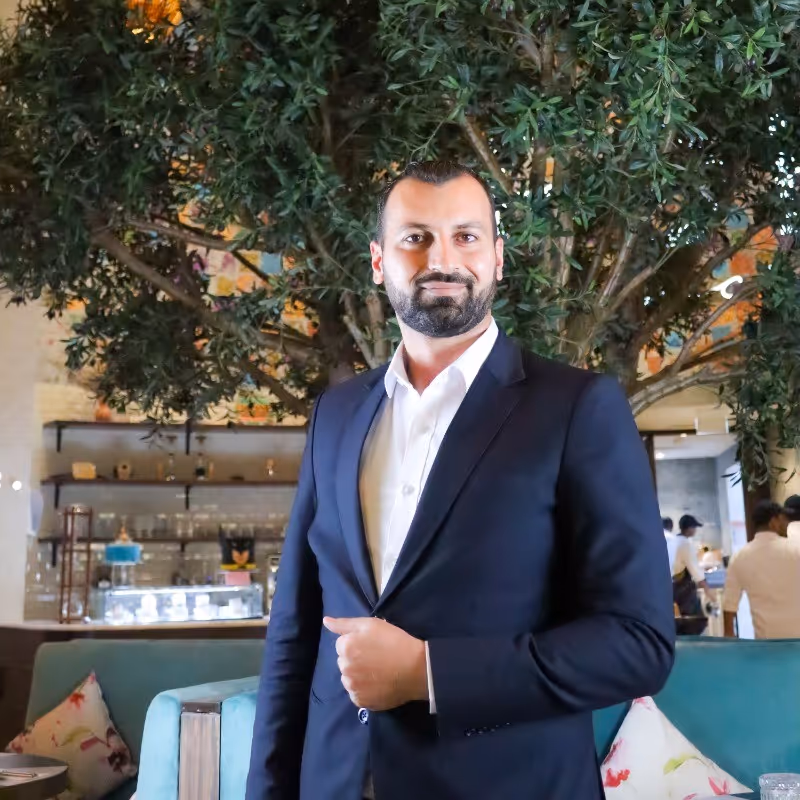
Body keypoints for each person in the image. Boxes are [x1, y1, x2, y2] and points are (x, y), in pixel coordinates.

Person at [245, 160, 675, 800]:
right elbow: (294, 634)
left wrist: (427, 672)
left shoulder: (577, 408)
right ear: (378, 260)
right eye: (414, 238)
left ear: (498, 257)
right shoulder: (335, 415)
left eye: (466, 236)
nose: (441, 258)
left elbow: (637, 645)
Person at [723, 500, 800, 639]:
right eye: (783, 519)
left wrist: (729, 633)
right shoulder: (795, 549)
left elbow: (729, 602)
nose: (786, 524)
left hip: (766, 642)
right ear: (773, 521)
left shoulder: (739, 557)